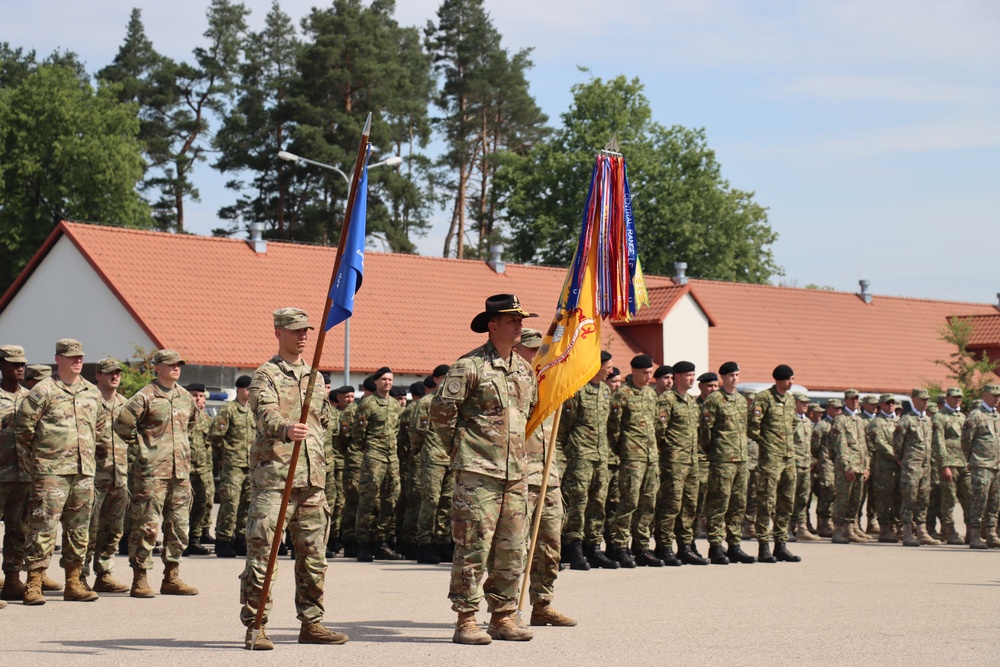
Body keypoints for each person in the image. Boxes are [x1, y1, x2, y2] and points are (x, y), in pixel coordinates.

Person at [430, 294, 537, 645]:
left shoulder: (523, 368)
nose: (519, 325)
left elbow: (528, 416)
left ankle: (503, 616)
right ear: (493, 325)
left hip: (515, 474)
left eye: (521, 319)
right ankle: (466, 619)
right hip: (478, 473)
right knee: (474, 545)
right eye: (512, 320)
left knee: (512, 547)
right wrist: (463, 453)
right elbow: (441, 414)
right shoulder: (469, 366)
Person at [239, 307, 348, 650]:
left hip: (312, 480)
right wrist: (285, 428)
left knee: (314, 557)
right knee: (264, 555)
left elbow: (324, 422)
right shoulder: (265, 375)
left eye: (306, 330)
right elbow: (264, 413)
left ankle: (311, 622)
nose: (302, 336)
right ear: (279, 333)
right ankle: (256, 625)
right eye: (295, 330)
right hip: (275, 478)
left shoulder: (315, 377)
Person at [15, 339, 105, 604]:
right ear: (58, 359)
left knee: (79, 529)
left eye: (80, 357)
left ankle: (74, 582)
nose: (78, 361)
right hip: (51, 472)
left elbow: (98, 428)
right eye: (72, 357)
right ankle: (33, 583)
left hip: (83, 471)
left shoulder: (91, 392)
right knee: (42, 527)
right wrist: (44, 457)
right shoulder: (44, 390)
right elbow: (23, 429)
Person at [114, 349, 199, 598]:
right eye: (171, 364)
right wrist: (144, 448)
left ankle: (171, 576)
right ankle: (140, 578)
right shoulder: (144, 397)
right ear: (157, 368)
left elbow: (191, 426)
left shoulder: (185, 397)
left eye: (179, 365)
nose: (176, 368)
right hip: (152, 473)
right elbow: (122, 425)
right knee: (146, 526)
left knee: (179, 526)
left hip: (180, 473)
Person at [514, 328, 576, 627]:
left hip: (549, 478)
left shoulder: (550, 388)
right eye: (531, 349)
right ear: (516, 351)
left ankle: (543, 604)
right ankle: (507, 608)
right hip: (520, 478)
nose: (538, 355)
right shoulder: (511, 386)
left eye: (541, 350)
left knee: (550, 546)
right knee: (515, 548)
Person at [559, 351, 617, 570]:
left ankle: (593, 548)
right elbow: (564, 428)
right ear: (595, 366)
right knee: (578, 502)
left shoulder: (604, 391)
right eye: (608, 367)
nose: (611, 371)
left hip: (601, 456)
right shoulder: (576, 390)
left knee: (598, 503)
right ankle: (573, 547)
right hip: (580, 455)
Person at [608, 355, 663, 568]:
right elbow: (613, 428)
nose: (648, 376)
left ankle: (641, 547)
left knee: (648, 503)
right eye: (645, 373)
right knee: (628, 502)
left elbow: (656, 424)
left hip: (651, 457)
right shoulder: (622, 395)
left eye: (650, 372)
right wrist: (623, 450)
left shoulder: (651, 394)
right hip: (632, 457)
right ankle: (621, 546)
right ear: (634, 371)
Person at [83, 357, 132, 591]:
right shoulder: (88, 402)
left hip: (119, 476)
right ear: (98, 376)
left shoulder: (127, 405)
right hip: (93, 476)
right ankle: (79, 576)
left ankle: (104, 574)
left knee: (113, 529)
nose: (115, 376)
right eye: (109, 373)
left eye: (118, 373)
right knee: (87, 528)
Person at [700, 362, 755, 565]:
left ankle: (734, 545)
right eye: (731, 375)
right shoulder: (714, 400)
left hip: (741, 459)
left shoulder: (741, 401)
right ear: (722, 377)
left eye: (737, 375)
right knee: (719, 503)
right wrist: (714, 451)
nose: (735, 378)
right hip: (722, 460)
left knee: (738, 504)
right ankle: (715, 546)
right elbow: (705, 431)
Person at [746, 364, 801, 563]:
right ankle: (764, 546)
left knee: (786, 501)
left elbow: (793, 422)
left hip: (788, 457)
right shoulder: (764, 398)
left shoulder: (790, 399)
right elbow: (752, 426)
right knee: (766, 501)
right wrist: (767, 443)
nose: (791, 382)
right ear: (778, 380)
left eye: (792, 378)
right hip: (770, 459)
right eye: (788, 379)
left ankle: (781, 544)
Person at [653, 360, 705, 566]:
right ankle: (664, 546)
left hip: (692, 462)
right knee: (671, 504)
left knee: (690, 505)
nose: (692, 378)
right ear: (677, 377)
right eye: (688, 375)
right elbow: (659, 430)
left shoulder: (691, 402)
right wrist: (670, 453)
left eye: (693, 374)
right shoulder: (667, 399)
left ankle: (685, 546)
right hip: (673, 462)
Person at [353, 366, 403, 562]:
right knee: (368, 499)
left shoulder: (395, 404)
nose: (387, 383)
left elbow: (397, 429)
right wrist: (368, 450)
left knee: (391, 499)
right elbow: (358, 434)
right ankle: (363, 544)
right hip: (374, 456)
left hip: (392, 458)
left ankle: (380, 540)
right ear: (376, 382)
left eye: (390, 380)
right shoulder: (368, 404)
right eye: (383, 379)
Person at [210, 375, 255, 558]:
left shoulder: (254, 411)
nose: (250, 393)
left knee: (247, 504)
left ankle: (241, 539)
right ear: (239, 390)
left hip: (250, 465)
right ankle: (223, 540)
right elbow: (216, 436)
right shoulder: (228, 410)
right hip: (233, 465)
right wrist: (225, 455)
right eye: (247, 389)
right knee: (230, 503)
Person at [0, 345, 30, 606]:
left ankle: (12, 581)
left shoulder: (32, 397)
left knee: (18, 530)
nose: (19, 368)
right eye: (13, 363)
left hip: (23, 476)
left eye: (22, 364)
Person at [893, 388, 938, 547]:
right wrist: (903, 459)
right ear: (914, 400)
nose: (926, 402)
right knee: (909, 497)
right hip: (911, 465)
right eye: (922, 399)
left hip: (926, 465)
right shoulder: (907, 420)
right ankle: (906, 531)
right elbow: (897, 444)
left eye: (927, 399)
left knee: (924, 497)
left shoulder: (927, 420)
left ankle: (922, 530)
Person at [829, 390, 869, 544]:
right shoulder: (840, 420)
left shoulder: (859, 420)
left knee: (856, 499)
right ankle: (838, 530)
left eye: (857, 399)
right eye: (852, 399)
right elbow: (840, 445)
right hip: (848, 467)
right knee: (843, 498)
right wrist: (847, 466)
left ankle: (850, 528)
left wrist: (866, 466)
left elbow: (863, 445)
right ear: (845, 401)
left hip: (860, 466)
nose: (855, 401)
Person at [934, 388, 968, 545]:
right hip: (950, 463)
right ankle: (948, 530)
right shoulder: (940, 417)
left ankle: (972, 530)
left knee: (970, 496)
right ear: (946, 398)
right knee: (948, 499)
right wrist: (944, 464)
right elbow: (939, 442)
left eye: (959, 397)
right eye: (954, 397)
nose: (957, 400)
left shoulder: (962, 416)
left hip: (964, 463)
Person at [184, 382, 212, 556]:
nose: (198, 398)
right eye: (195, 395)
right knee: (181, 506)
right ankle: (179, 540)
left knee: (201, 504)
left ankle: (194, 538)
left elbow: (211, 444)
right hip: (183, 468)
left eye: (201, 396)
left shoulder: (207, 420)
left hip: (201, 469)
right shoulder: (181, 417)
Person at [791, 393, 820, 541]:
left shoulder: (808, 422)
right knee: (789, 497)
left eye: (806, 403)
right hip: (793, 464)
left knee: (803, 497)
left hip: (805, 465)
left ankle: (801, 527)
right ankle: (788, 528)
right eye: (802, 402)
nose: (805, 405)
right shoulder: (789, 419)